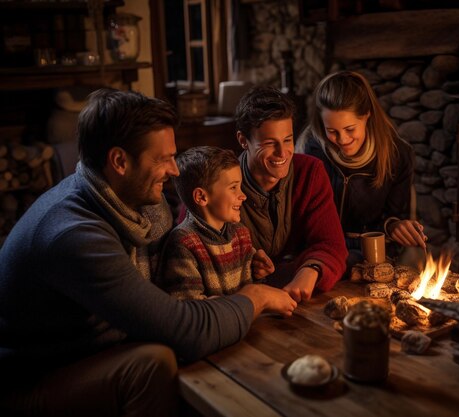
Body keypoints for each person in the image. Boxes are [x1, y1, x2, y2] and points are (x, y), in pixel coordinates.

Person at [0, 88, 296, 417]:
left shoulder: (140, 206)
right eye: (162, 159)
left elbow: (170, 277)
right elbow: (184, 330)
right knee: (153, 363)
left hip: (98, 347)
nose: (174, 170)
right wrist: (255, 297)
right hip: (33, 379)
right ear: (119, 161)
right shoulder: (75, 236)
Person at [296, 70, 427, 265]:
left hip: (370, 256)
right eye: (332, 131)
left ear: (367, 115)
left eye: (350, 129)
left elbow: (396, 217)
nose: (342, 140)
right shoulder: (311, 148)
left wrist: (395, 226)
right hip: (319, 251)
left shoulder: (398, 155)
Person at [234, 86, 348, 302]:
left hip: (294, 298)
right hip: (240, 302)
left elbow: (332, 245)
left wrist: (311, 269)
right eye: (269, 143)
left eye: (287, 140)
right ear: (243, 140)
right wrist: (245, 265)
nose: (282, 153)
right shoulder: (215, 180)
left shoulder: (310, 172)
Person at [157, 146, 275, 299]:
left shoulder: (240, 234)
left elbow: (251, 292)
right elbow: (191, 309)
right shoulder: (184, 244)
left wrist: (259, 274)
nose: (243, 196)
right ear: (201, 197)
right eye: (233, 187)